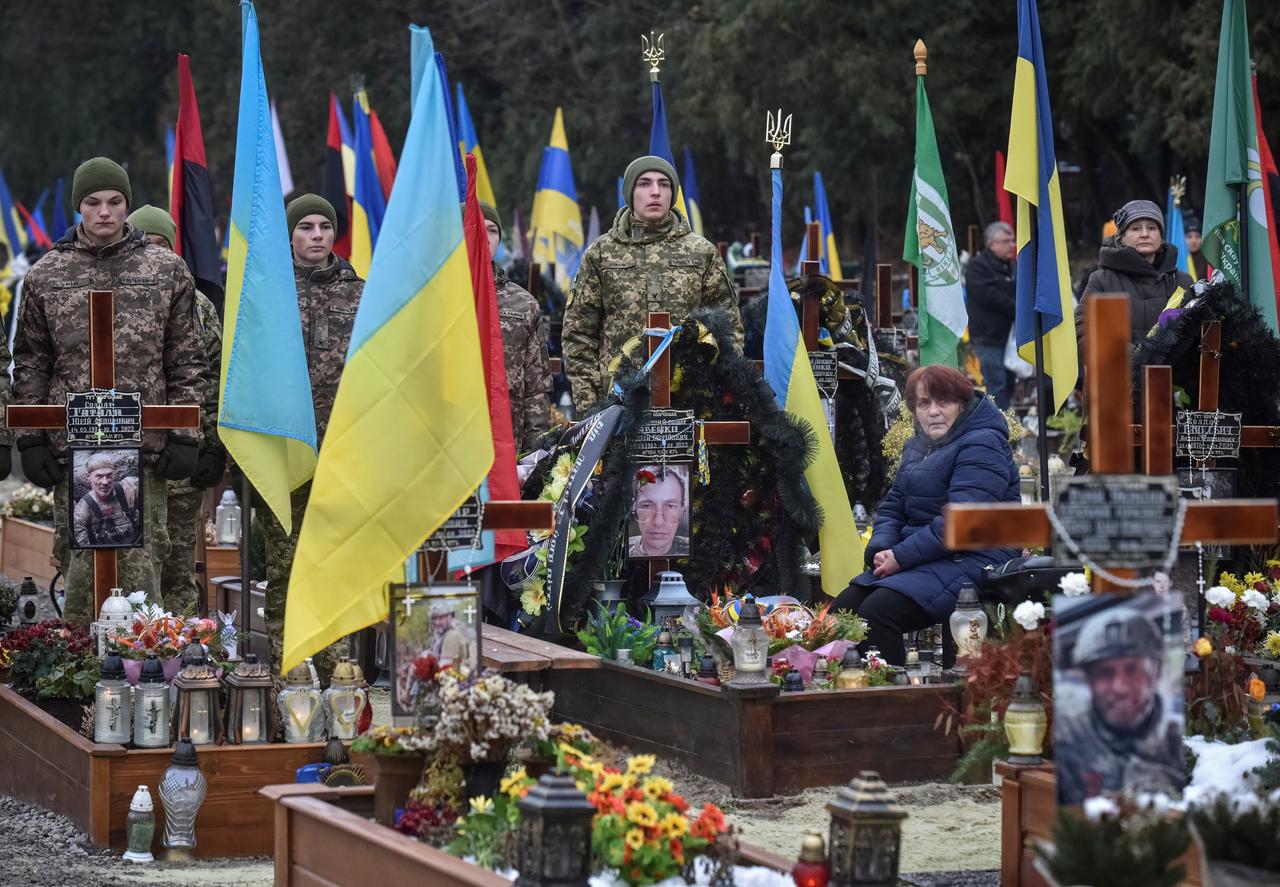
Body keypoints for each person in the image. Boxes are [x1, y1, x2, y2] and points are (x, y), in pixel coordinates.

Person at [14, 157, 206, 625]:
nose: (104, 211)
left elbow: (185, 359)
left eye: (115, 201)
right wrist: (31, 438)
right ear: (78, 207)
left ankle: (146, 682)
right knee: (80, 573)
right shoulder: (47, 275)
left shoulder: (166, 270)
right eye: (93, 202)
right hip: (74, 452)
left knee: (142, 574)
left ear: (128, 204)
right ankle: (79, 682)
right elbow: (33, 363)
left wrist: (186, 435)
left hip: (142, 450)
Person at [831, 365, 1019, 665]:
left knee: (877, 613)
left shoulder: (983, 443)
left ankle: (897, 701)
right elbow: (893, 507)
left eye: (943, 402)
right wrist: (882, 550)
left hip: (975, 558)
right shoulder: (917, 447)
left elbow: (962, 521)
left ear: (962, 403)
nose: (933, 411)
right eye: (924, 403)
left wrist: (901, 557)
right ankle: (855, 696)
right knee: (844, 610)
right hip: (926, 558)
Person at [263, 194, 363, 683]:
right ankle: (291, 665)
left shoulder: (362, 294)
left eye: (326, 225)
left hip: (344, 449)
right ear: (290, 235)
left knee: (338, 557)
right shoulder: (267, 293)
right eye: (306, 226)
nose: (318, 235)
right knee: (284, 559)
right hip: (285, 449)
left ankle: (339, 664)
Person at [563, 155, 741, 412]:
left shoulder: (701, 252)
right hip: (617, 401)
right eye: (644, 184)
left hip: (690, 401)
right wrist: (591, 404)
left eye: (664, 184)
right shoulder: (602, 253)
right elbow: (578, 333)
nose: (655, 192)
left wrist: (717, 393)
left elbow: (729, 327)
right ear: (630, 192)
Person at [127, 205, 225, 615]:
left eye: (162, 245)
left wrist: (213, 446)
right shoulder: (120, 297)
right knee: (131, 564)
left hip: (184, 456)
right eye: (145, 244)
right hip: (130, 458)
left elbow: (216, 377)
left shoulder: (198, 306)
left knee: (179, 565)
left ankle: (183, 654)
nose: (154, 253)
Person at [1056, 606, 1182, 804]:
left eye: (1132, 670)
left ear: (1156, 672)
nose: (1120, 688)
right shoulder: (1067, 734)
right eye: (1105, 673)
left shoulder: (1178, 745)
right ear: (1089, 680)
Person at [481, 202, 551, 451]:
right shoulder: (434, 298)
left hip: (507, 447)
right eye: (474, 226)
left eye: (492, 230)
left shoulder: (523, 303)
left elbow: (537, 387)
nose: (484, 235)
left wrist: (534, 454)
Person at [1080, 200, 1194, 345]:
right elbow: (1083, 331)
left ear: (1161, 236)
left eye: (1152, 228)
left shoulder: (1183, 282)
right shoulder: (1102, 281)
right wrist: (1129, 357)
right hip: (1120, 367)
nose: (1145, 234)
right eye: (1135, 229)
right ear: (1121, 238)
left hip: (1172, 368)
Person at [964, 222, 1017, 409]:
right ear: (991, 244)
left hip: (1009, 338)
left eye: (1012, 240)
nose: (1012, 245)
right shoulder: (977, 267)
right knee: (997, 385)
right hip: (988, 338)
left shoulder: (1011, 266)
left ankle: (1008, 425)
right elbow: (990, 296)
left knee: (1010, 385)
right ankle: (998, 429)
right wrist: (1017, 307)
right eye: (1006, 241)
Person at [72, 452, 141, 548]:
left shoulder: (130, 488)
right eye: (99, 476)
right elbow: (82, 546)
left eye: (109, 475)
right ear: (88, 476)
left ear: (114, 473)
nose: (105, 482)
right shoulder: (83, 508)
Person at [628, 464, 690, 557]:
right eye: (647, 506)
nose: (658, 522)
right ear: (634, 507)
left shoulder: (695, 549)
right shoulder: (620, 550)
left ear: (682, 511)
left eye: (670, 506)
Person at [428, 602, 471, 669]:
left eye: (441, 618)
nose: (437, 622)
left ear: (450, 616)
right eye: (434, 618)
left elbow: (445, 669)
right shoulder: (441, 633)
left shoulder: (452, 636)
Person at [1183, 213, 1212, 281]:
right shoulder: (1178, 259)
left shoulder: (1208, 261)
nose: (1193, 241)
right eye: (1189, 236)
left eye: (1197, 236)